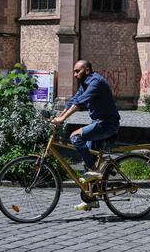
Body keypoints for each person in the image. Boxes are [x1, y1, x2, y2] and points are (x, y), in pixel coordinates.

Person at [51, 59, 120, 211]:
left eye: (78, 71)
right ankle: (91, 199)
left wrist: (63, 119)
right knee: (86, 160)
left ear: (87, 70)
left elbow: (81, 102)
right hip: (98, 123)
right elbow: (73, 101)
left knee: (75, 137)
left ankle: (94, 171)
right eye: (74, 71)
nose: (75, 75)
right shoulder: (84, 84)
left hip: (108, 124)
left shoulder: (96, 82)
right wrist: (58, 118)